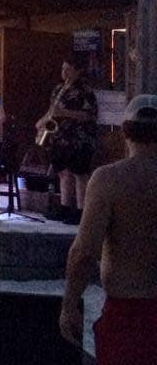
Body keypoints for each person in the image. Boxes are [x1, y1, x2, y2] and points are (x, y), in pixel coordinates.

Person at [60, 94, 157, 364]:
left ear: (125, 131)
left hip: (128, 312)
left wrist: (69, 305)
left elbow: (83, 252)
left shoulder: (110, 180)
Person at [38, 57, 98, 224]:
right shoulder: (59, 88)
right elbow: (52, 111)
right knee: (63, 172)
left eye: (68, 70)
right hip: (60, 137)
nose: (64, 73)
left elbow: (90, 115)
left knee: (79, 173)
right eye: (63, 69)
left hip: (79, 138)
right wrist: (42, 121)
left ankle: (81, 211)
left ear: (77, 71)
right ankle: (65, 207)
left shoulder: (85, 90)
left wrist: (65, 113)